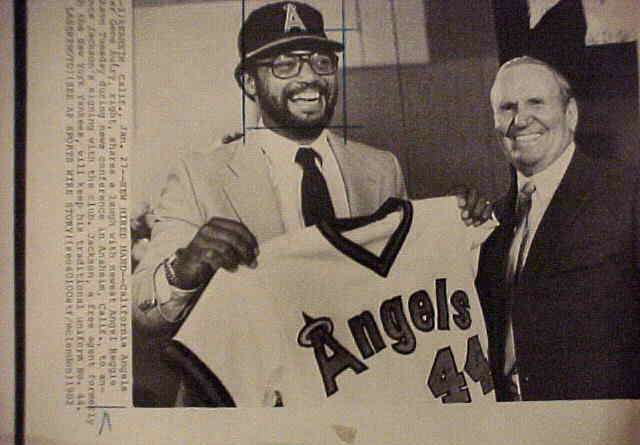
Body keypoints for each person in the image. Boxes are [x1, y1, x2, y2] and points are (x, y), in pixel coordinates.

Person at [132, 1, 491, 342]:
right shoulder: (199, 176)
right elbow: (141, 309)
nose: (310, 78)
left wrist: (459, 223)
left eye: (322, 62)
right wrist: (183, 269)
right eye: (285, 65)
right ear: (249, 83)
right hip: (262, 395)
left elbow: (407, 284)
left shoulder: (381, 168)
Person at [476, 56, 640, 401]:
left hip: (598, 427)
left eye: (536, 102)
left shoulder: (627, 193)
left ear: (571, 114)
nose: (520, 120)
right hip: (510, 427)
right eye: (507, 108)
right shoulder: (491, 222)